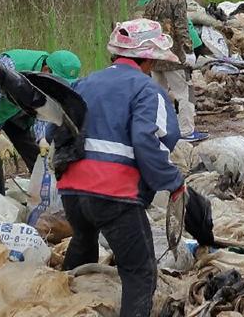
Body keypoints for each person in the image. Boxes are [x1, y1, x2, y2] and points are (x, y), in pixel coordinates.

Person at [58, 19, 185, 317]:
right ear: (150, 57)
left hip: (72, 191)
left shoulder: (84, 83)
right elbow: (149, 140)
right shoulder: (148, 90)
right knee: (140, 272)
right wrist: (172, 180)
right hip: (113, 195)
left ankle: (64, 304)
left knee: (84, 240)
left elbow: (57, 131)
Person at [0, 49, 81, 194]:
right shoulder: (9, 66)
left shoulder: (48, 78)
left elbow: (41, 108)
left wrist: (42, 138)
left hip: (12, 103)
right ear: (46, 70)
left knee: (36, 152)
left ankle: (44, 194)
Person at [143, 0, 206, 142]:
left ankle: (161, 130)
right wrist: (188, 50)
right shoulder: (178, 0)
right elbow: (181, 27)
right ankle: (186, 131)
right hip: (174, 56)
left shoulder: (152, 0)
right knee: (182, 93)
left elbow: (147, 27)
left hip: (155, 56)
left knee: (159, 94)